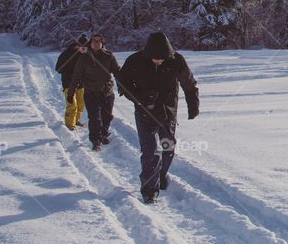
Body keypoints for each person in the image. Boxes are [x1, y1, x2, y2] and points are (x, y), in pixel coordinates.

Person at [118, 32, 199, 204]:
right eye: (154, 59)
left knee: (168, 147)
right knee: (150, 152)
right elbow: (122, 84)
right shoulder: (135, 60)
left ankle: (161, 175)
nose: (158, 61)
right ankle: (149, 190)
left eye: (161, 59)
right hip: (144, 114)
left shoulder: (177, 61)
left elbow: (189, 83)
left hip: (168, 113)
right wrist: (140, 97)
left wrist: (193, 105)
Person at [69, 33, 121, 151]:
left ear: (102, 43)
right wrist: (71, 92)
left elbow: (117, 72)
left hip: (107, 92)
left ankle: (104, 134)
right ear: (90, 43)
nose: (96, 43)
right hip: (91, 92)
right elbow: (76, 76)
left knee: (106, 116)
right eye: (94, 41)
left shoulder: (109, 56)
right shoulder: (84, 58)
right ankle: (95, 140)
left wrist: (123, 86)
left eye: (99, 41)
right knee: (94, 117)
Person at [56, 34, 88, 130]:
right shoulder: (66, 54)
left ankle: (76, 120)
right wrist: (72, 72)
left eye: (86, 48)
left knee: (81, 105)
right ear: (77, 45)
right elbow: (58, 68)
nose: (84, 50)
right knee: (72, 105)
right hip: (68, 84)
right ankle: (70, 125)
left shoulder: (85, 56)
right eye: (83, 47)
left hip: (81, 85)